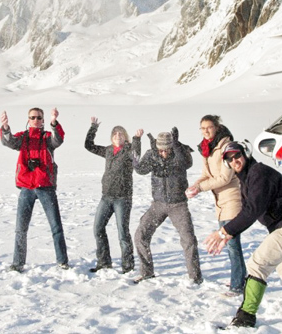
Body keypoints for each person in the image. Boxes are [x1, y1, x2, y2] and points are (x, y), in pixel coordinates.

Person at [204, 141, 282, 328]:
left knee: (257, 265)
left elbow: (254, 209)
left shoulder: (259, 173)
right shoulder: (247, 178)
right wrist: (228, 234)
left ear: (245, 154)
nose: (234, 161)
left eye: (237, 155)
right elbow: (247, 209)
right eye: (229, 159)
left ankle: (245, 318)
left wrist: (224, 231)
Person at [0, 107, 69, 272]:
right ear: (28, 119)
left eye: (39, 117)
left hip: (45, 187)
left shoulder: (47, 138)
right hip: (26, 187)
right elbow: (8, 141)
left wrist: (54, 123)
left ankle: (62, 261)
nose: (36, 120)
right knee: (20, 229)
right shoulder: (22, 138)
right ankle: (18, 263)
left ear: (43, 120)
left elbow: (58, 140)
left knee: (56, 226)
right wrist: (5, 128)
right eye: (32, 117)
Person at [133, 127, 203, 285]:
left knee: (188, 239)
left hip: (178, 204)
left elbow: (187, 163)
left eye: (167, 150)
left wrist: (177, 145)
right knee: (140, 236)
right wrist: (136, 142)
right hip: (158, 204)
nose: (163, 153)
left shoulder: (179, 154)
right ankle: (147, 273)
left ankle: (195, 277)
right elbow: (139, 169)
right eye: (161, 150)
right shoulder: (152, 155)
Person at [186, 115, 246, 295]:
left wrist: (201, 188)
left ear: (217, 127)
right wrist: (196, 185)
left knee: (232, 244)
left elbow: (225, 177)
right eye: (202, 128)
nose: (205, 131)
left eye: (209, 127)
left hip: (232, 198)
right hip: (221, 201)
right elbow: (207, 174)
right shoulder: (208, 148)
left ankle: (237, 285)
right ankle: (239, 280)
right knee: (231, 244)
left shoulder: (226, 147)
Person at [85, 116, 141, 274]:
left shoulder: (129, 150)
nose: (118, 136)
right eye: (115, 134)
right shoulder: (108, 150)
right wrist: (93, 128)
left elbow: (136, 154)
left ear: (125, 137)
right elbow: (88, 146)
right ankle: (104, 262)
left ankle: (128, 266)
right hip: (106, 196)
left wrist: (137, 139)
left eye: (121, 134)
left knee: (123, 232)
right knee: (98, 228)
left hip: (122, 198)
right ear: (111, 137)